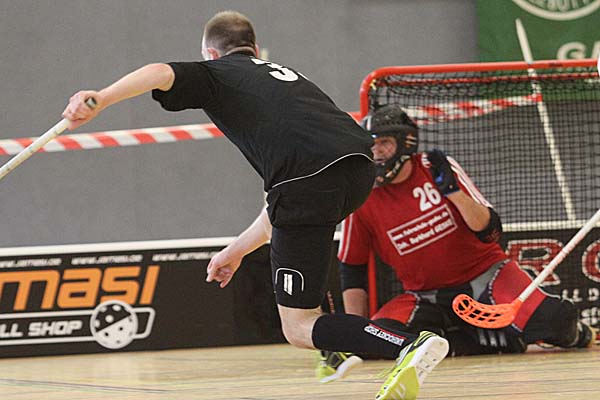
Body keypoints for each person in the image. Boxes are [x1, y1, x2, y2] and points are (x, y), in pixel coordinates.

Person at [62, 11, 448, 399]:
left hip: (307, 183)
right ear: (255, 48)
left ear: (211, 53)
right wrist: (236, 251)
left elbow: (159, 72)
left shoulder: (218, 72)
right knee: (297, 221)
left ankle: (407, 344)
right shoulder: (287, 77)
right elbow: (285, 209)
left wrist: (101, 98)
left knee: (297, 326)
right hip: (358, 171)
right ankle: (336, 347)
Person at [327, 104, 595, 370]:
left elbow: (490, 232)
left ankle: (574, 334)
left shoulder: (436, 168)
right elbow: (352, 268)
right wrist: (355, 331)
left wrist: (454, 193)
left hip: (487, 278)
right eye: (371, 145)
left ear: (405, 142)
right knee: (376, 341)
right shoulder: (362, 194)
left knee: (555, 320)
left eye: (384, 143)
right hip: (424, 296)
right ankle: (485, 341)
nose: (377, 152)